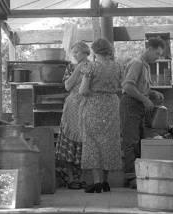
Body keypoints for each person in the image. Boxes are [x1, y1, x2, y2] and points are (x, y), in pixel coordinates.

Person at [120, 37, 165, 187]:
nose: (158, 58)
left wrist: (152, 93)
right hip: (130, 104)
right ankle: (131, 178)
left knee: (138, 142)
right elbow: (127, 87)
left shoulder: (146, 66)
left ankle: (137, 176)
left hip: (138, 106)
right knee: (131, 141)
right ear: (149, 48)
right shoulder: (137, 63)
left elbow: (140, 88)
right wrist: (145, 100)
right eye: (157, 54)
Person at [80, 38, 123, 193]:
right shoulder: (118, 66)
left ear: (94, 51)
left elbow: (83, 90)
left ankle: (97, 182)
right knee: (109, 141)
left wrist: (93, 92)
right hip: (112, 104)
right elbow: (121, 86)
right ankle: (105, 182)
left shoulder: (91, 66)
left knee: (93, 141)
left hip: (95, 105)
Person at [55, 40, 91, 189]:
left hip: (86, 105)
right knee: (68, 140)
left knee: (83, 142)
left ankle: (80, 178)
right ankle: (70, 178)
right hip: (71, 107)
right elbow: (67, 86)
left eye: (77, 52)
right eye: (73, 52)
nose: (74, 54)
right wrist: (77, 70)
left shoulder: (92, 66)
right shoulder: (70, 67)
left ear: (85, 52)